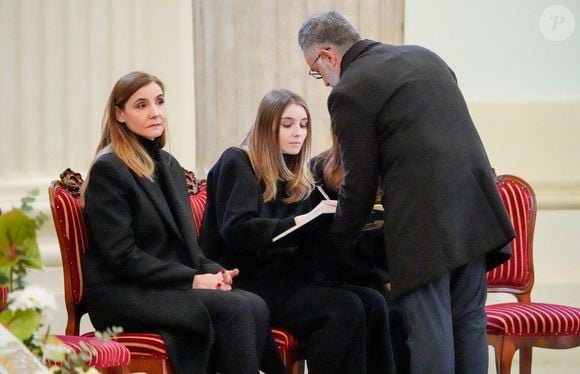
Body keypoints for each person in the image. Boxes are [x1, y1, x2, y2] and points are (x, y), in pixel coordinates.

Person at [298, 11, 515, 374]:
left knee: (430, 335)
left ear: (328, 55)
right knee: (468, 326)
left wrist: (336, 244)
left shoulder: (351, 91)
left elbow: (360, 182)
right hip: (476, 211)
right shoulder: (426, 57)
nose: (324, 83)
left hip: (424, 225)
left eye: (317, 72)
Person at [82, 71, 285, 374]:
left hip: (165, 286)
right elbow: (122, 256)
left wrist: (214, 272)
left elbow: (187, 246)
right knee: (236, 308)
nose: (155, 112)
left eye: (159, 102)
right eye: (141, 105)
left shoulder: (168, 164)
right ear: (119, 114)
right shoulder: (109, 169)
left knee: (253, 302)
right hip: (124, 293)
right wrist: (191, 280)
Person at [200, 88, 395, 374]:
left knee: (374, 301)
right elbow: (238, 231)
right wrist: (298, 224)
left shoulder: (298, 173)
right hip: (246, 282)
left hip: (288, 279)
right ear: (268, 127)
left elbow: (314, 235)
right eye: (287, 124)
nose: (298, 133)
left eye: (303, 125)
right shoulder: (239, 161)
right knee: (342, 309)